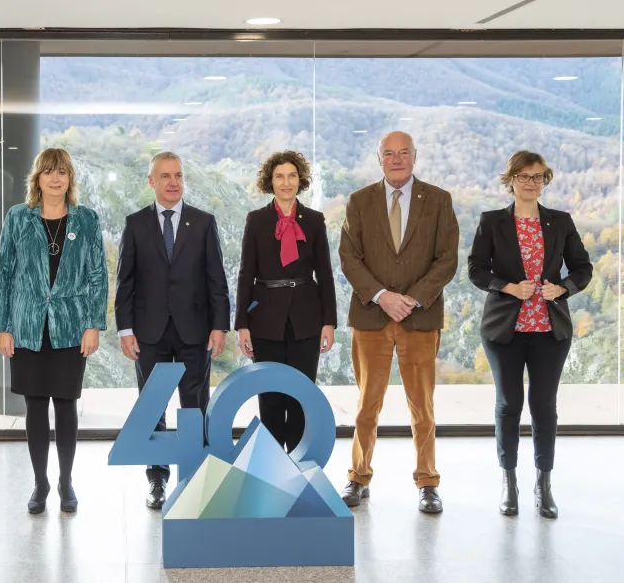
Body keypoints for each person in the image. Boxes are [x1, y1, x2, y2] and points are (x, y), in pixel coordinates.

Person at [338, 131, 458, 514]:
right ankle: (358, 476)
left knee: (422, 407)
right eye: (389, 154)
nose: (396, 159)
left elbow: (447, 259)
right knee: (366, 406)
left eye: (403, 153)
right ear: (379, 159)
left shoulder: (438, 201)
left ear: (415, 156)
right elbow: (349, 257)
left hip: (419, 318)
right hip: (371, 317)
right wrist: (381, 296)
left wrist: (414, 298)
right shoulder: (359, 202)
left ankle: (427, 481)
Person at [468, 151, 592, 519]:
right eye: (523, 176)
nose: (531, 182)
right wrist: (507, 287)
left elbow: (583, 267)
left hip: (549, 329)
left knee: (544, 407)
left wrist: (563, 288)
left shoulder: (560, 221)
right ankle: (509, 483)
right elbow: (476, 269)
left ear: (545, 180)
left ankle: (545, 484)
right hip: (503, 328)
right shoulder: (492, 221)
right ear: (511, 181)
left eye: (538, 176)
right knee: (508, 406)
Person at [0, 148, 108, 515]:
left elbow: (98, 276)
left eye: (62, 172)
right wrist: (1, 326)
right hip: (26, 326)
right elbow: (3, 275)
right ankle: (40, 483)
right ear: (37, 178)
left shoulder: (86, 219)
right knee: (35, 406)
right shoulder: (17, 218)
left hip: (71, 327)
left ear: (70, 178)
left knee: (67, 405)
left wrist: (93, 324)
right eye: (48, 172)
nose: (55, 178)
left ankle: (66, 481)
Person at [115, 151, 230, 510]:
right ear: (151, 181)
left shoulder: (204, 222)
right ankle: (157, 478)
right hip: (148, 333)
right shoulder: (135, 224)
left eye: (178, 175)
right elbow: (125, 282)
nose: (172, 182)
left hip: (195, 331)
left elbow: (217, 281)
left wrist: (219, 326)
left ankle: (197, 475)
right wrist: (125, 329)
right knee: (152, 408)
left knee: (195, 405)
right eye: (164, 176)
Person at [234, 150, 337, 454]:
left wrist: (328, 322)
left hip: (307, 319)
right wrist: (241, 324)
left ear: (300, 179)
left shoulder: (315, 221)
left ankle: (300, 466)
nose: (286, 182)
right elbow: (245, 274)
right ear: (270, 181)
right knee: (270, 398)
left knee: (302, 396)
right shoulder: (256, 220)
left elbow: (326, 274)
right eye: (279, 176)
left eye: (292, 175)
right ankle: (272, 467)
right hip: (265, 320)